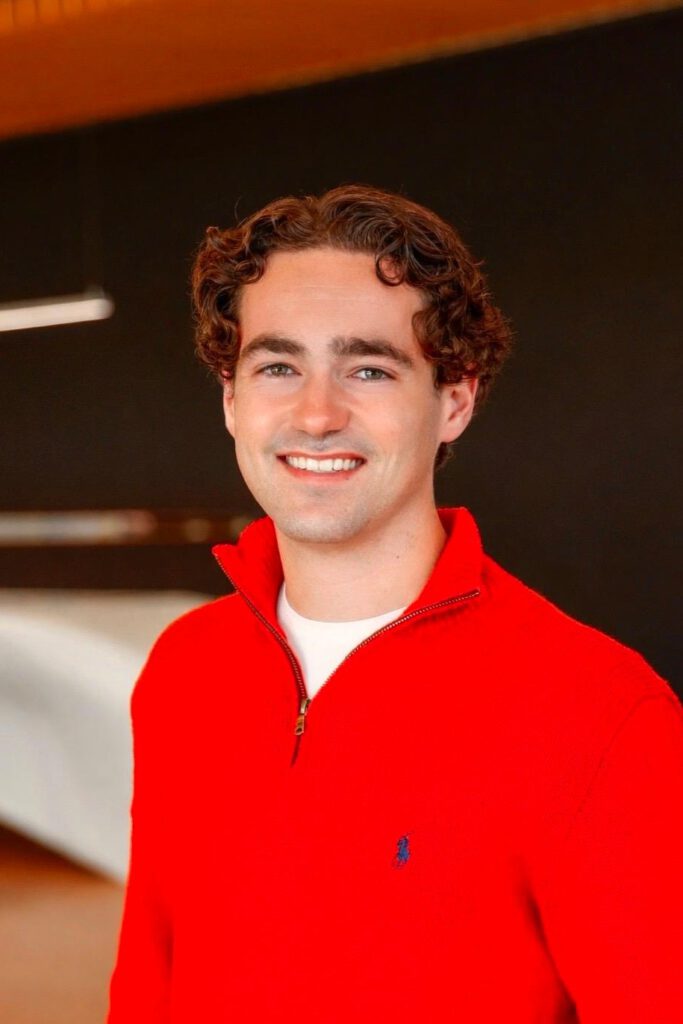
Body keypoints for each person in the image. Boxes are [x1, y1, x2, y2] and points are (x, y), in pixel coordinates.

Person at [107, 184, 683, 1022]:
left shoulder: (599, 712)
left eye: (368, 369)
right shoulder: (184, 668)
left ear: (454, 401)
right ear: (231, 399)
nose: (316, 414)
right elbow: (148, 976)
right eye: (278, 367)